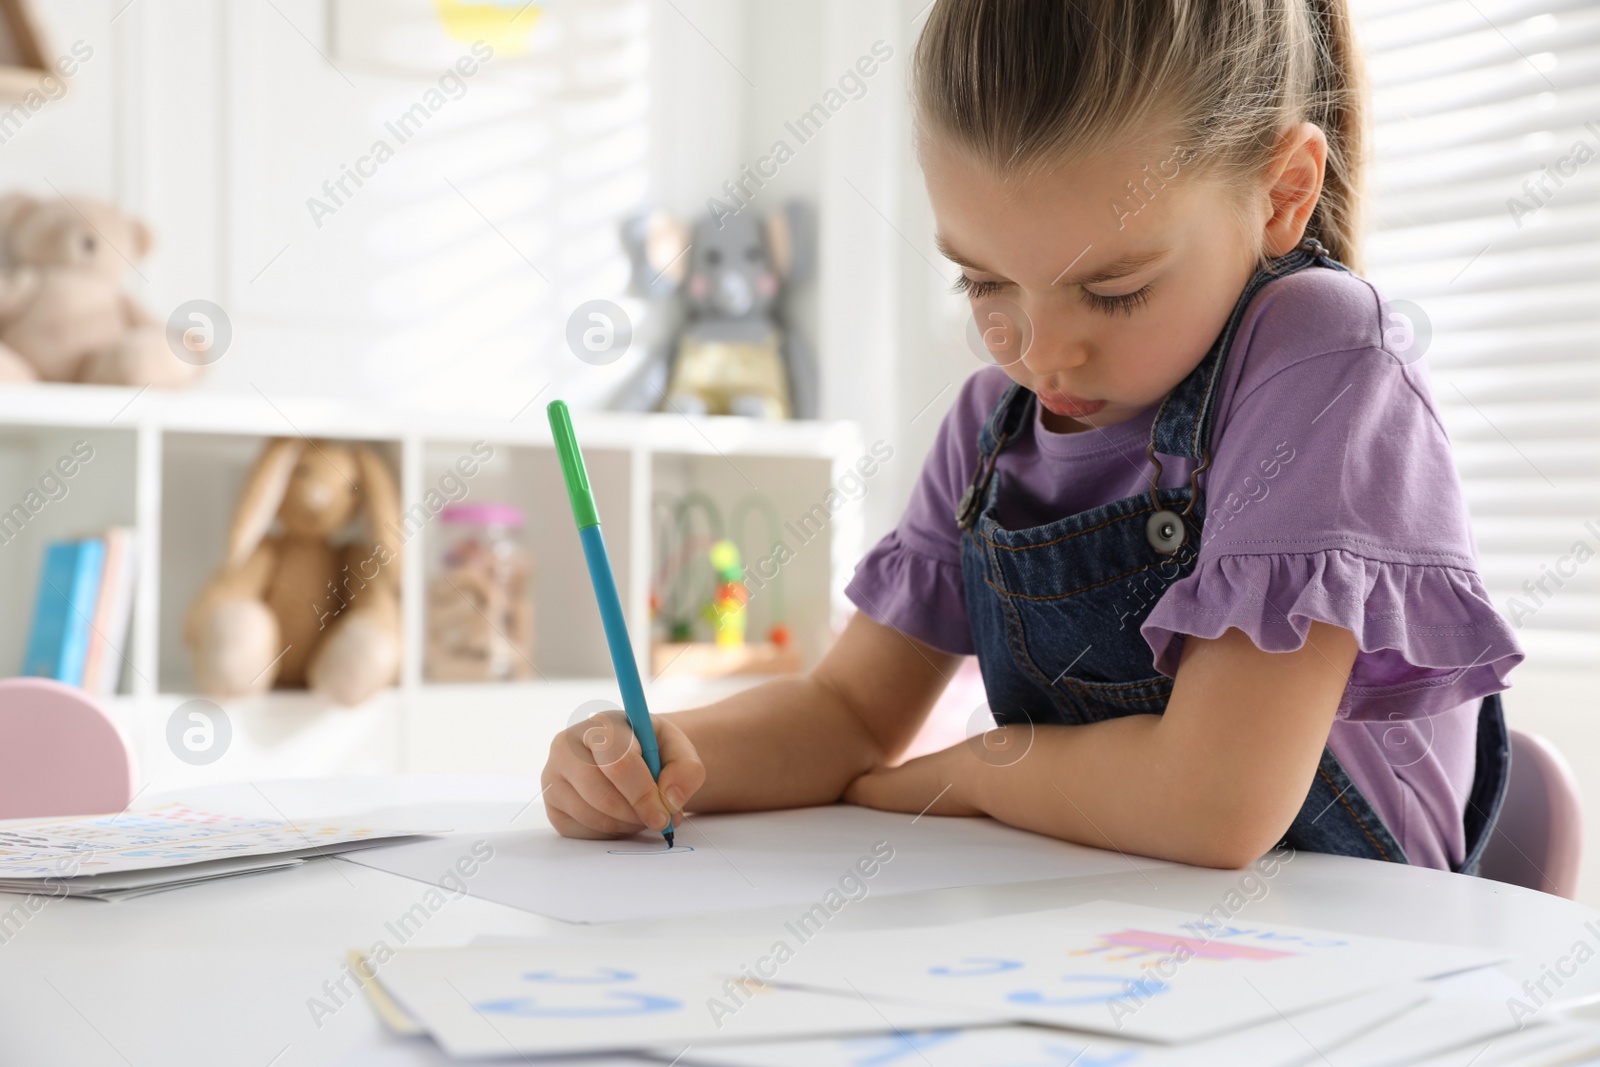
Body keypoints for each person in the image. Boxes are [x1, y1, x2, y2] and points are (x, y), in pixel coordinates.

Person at [541, 0, 1522, 872]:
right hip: (1095, 921)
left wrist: (976, 768)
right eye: (983, 281)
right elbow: (845, 713)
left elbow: (1214, 803)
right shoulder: (988, 428)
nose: (1040, 353)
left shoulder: (1321, 353)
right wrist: (658, 750)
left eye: (1114, 288)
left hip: (1345, 950)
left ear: (1281, 194)